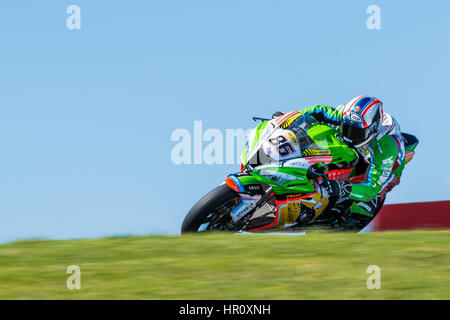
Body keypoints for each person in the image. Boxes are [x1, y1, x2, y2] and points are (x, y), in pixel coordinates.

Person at [278, 95, 407, 227]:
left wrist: (342, 188)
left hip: (388, 165)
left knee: (369, 200)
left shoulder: (386, 148)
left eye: (356, 132)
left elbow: (372, 188)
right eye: (347, 128)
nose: (349, 136)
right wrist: (289, 118)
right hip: (358, 151)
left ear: (371, 130)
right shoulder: (344, 115)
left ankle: (355, 217)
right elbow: (319, 110)